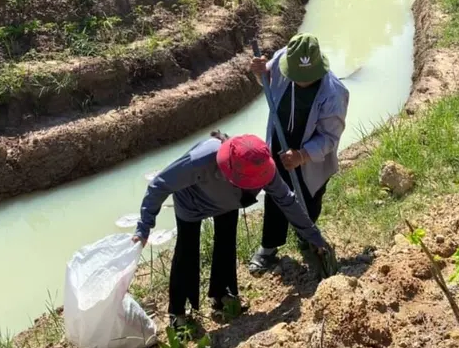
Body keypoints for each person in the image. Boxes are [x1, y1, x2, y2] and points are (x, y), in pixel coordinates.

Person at [132, 132, 330, 327]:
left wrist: (314, 236)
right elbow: (159, 185)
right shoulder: (200, 160)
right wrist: (144, 228)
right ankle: (178, 312)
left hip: (230, 199)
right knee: (187, 250)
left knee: (226, 243)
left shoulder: (261, 165)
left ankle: (222, 295)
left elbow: (287, 201)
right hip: (192, 202)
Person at [248, 33, 349, 274]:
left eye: (306, 77)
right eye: (296, 76)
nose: (300, 81)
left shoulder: (334, 93)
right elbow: (267, 81)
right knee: (275, 195)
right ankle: (269, 249)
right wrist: (258, 71)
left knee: (308, 198)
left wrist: (302, 155)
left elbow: (330, 138)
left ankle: (307, 237)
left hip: (311, 158)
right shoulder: (285, 59)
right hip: (279, 146)